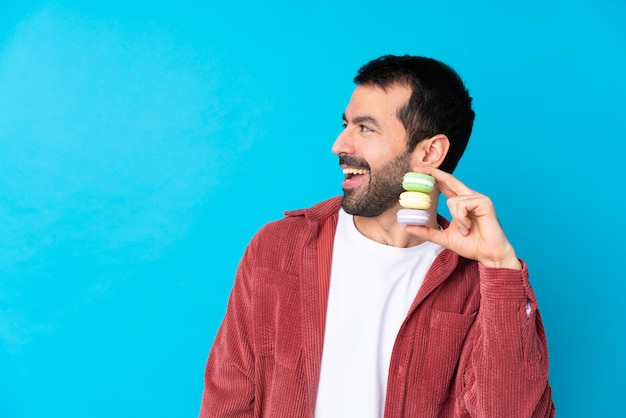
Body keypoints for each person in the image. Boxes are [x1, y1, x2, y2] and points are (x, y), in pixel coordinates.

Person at [199, 55, 555, 417]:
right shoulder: (279, 248)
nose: (339, 145)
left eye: (365, 128)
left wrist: (499, 268)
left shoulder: (483, 281)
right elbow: (228, 396)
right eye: (345, 124)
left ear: (430, 153)